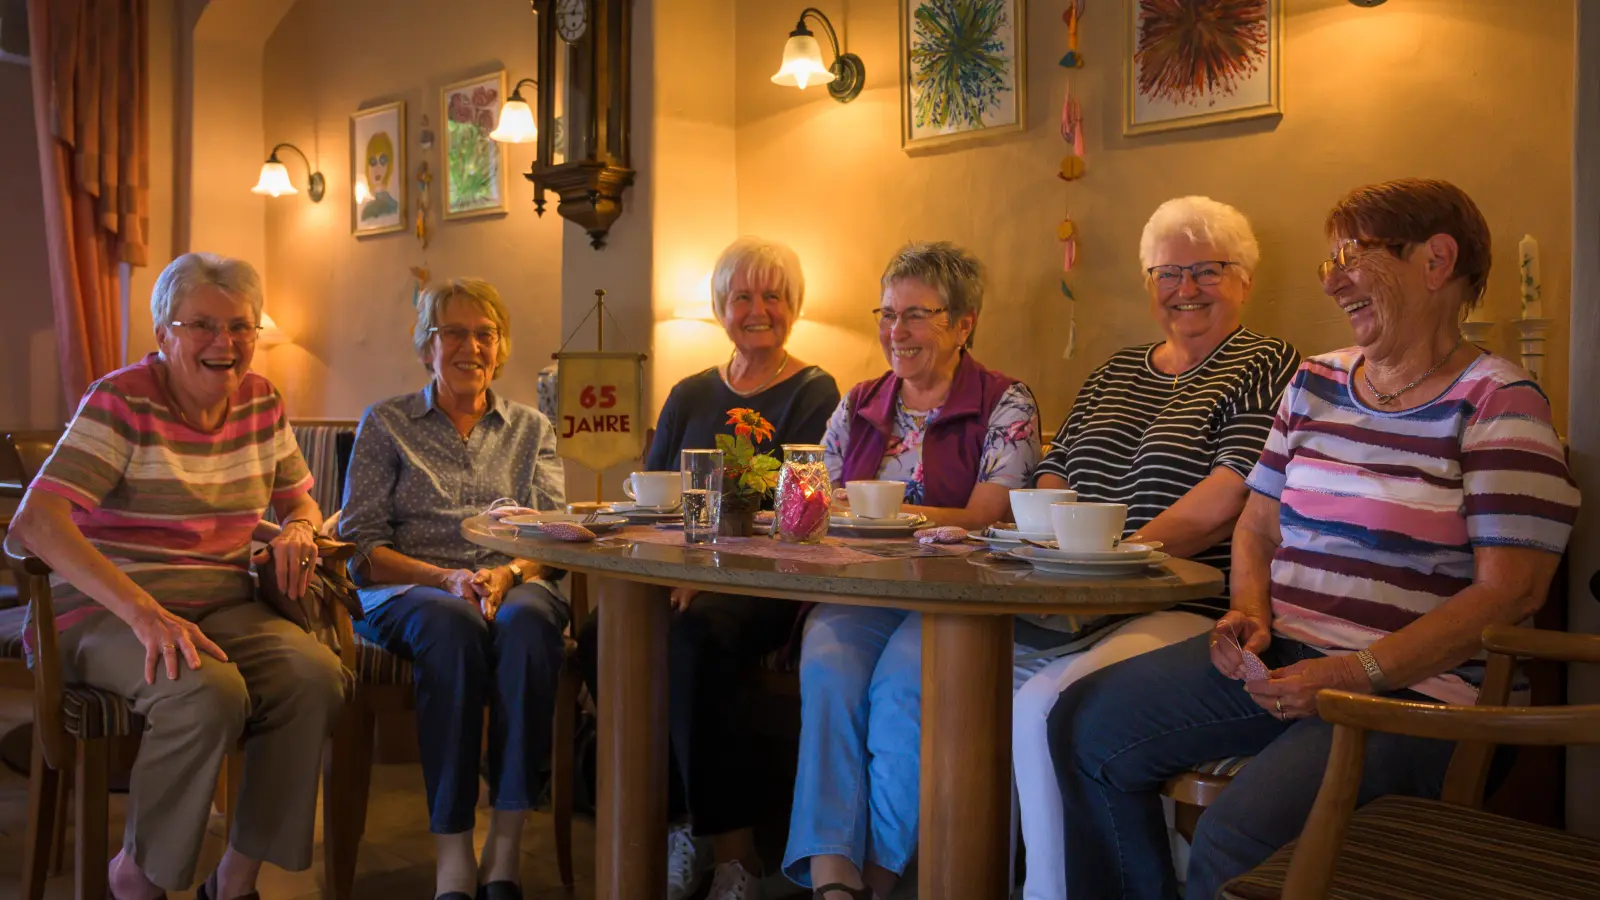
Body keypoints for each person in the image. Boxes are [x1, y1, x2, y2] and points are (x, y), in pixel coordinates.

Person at [1047, 178, 1580, 900]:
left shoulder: (1500, 403)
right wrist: (1251, 612)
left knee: (1241, 836)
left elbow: (1511, 592)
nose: (1332, 280)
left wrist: (1358, 672)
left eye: (1353, 256)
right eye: (1329, 261)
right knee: (1085, 724)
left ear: (1436, 261)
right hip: (1286, 658)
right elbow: (1258, 524)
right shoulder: (1315, 382)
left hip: (1418, 697)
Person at [8, 252, 346, 900]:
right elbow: (36, 522)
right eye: (203, 326)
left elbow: (297, 499)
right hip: (106, 605)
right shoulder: (122, 400)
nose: (226, 343)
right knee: (205, 692)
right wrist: (141, 610)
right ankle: (137, 878)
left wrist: (300, 529)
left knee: (314, 675)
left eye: (241, 327)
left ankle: (234, 880)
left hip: (224, 598)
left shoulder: (261, 400)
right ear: (164, 334)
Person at [1012, 197, 1299, 900]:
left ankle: (1051, 890)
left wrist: (1114, 552)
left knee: (1044, 704)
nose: (1186, 289)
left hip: (1182, 599)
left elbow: (1228, 498)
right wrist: (1059, 540)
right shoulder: (1117, 370)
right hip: (1075, 593)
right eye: (1168, 273)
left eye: (1208, 270)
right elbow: (1057, 467)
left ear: (1245, 279)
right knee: (961, 683)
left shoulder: (1266, 363)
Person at [576, 237, 841, 900]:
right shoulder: (689, 391)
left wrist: (714, 566)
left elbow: (799, 509)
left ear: (793, 307)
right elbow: (655, 493)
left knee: (697, 640)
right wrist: (663, 568)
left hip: (768, 579)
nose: (758, 309)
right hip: (681, 571)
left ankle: (734, 853)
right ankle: (676, 823)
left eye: (772, 296)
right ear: (721, 308)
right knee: (599, 636)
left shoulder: (814, 390)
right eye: (742, 296)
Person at [784, 241, 1042, 900]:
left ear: (963, 324)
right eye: (888, 313)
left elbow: (988, 515)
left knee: (903, 692)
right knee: (827, 668)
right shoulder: (859, 401)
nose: (895, 332)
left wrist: (887, 515)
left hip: (954, 595)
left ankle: (882, 875)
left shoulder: (1006, 404)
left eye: (916, 316)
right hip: (863, 586)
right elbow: (819, 503)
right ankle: (831, 874)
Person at [338, 278, 567, 900]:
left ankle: (506, 846)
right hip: (412, 591)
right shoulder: (386, 424)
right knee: (453, 624)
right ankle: (452, 855)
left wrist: (508, 573)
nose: (471, 347)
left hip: (512, 579)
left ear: (502, 348)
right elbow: (359, 550)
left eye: (485, 334)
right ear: (426, 347)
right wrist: (445, 578)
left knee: (528, 628)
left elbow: (553, 537)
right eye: (454, 333)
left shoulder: (531, 428)